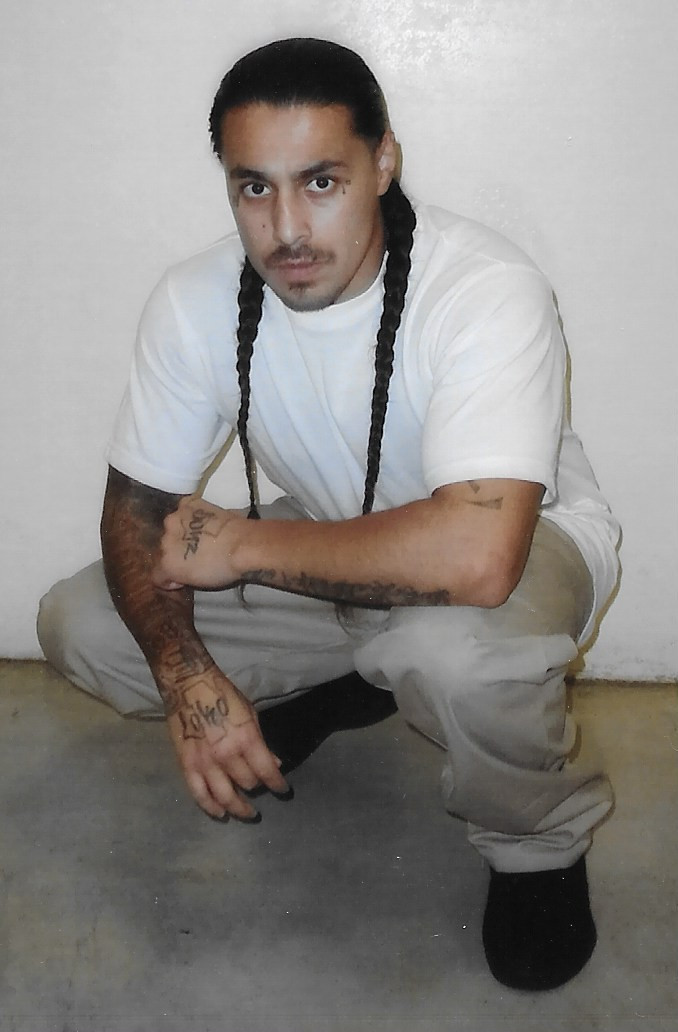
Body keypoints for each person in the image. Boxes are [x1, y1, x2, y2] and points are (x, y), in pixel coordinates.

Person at [37, 37, 620, 991]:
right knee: (86, 622)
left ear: (382, 162)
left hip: (522, 550)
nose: (286, 229)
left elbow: (479, 556)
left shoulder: (483, 287)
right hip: (325, 546)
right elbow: (136, 515)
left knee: (450, 654)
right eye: (253, 188)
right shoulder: (194, 300)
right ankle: (355, 678)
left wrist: (242, 545)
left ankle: (536, 846)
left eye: (320, 181)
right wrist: (188, 677)